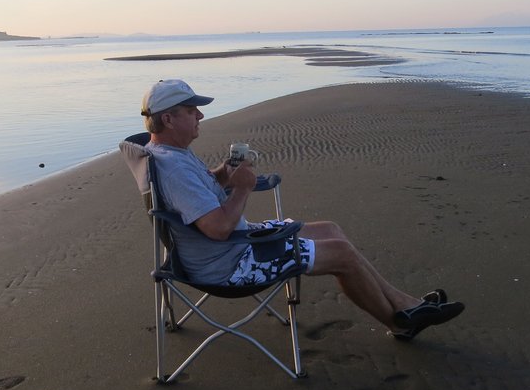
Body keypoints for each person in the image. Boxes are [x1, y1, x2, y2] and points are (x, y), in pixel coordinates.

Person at [140, 79, 464, 341]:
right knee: (342, 255)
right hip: (230, 264)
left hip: (226, 248)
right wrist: (243, 187)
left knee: (330, 230)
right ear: (168, 118)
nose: (200, 116)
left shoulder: (168, 153)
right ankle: (402, 324)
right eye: (191, 110)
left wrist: (225, 172)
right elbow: (218, 228)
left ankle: (406, 305)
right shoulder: (174, 168)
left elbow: (201, 190)